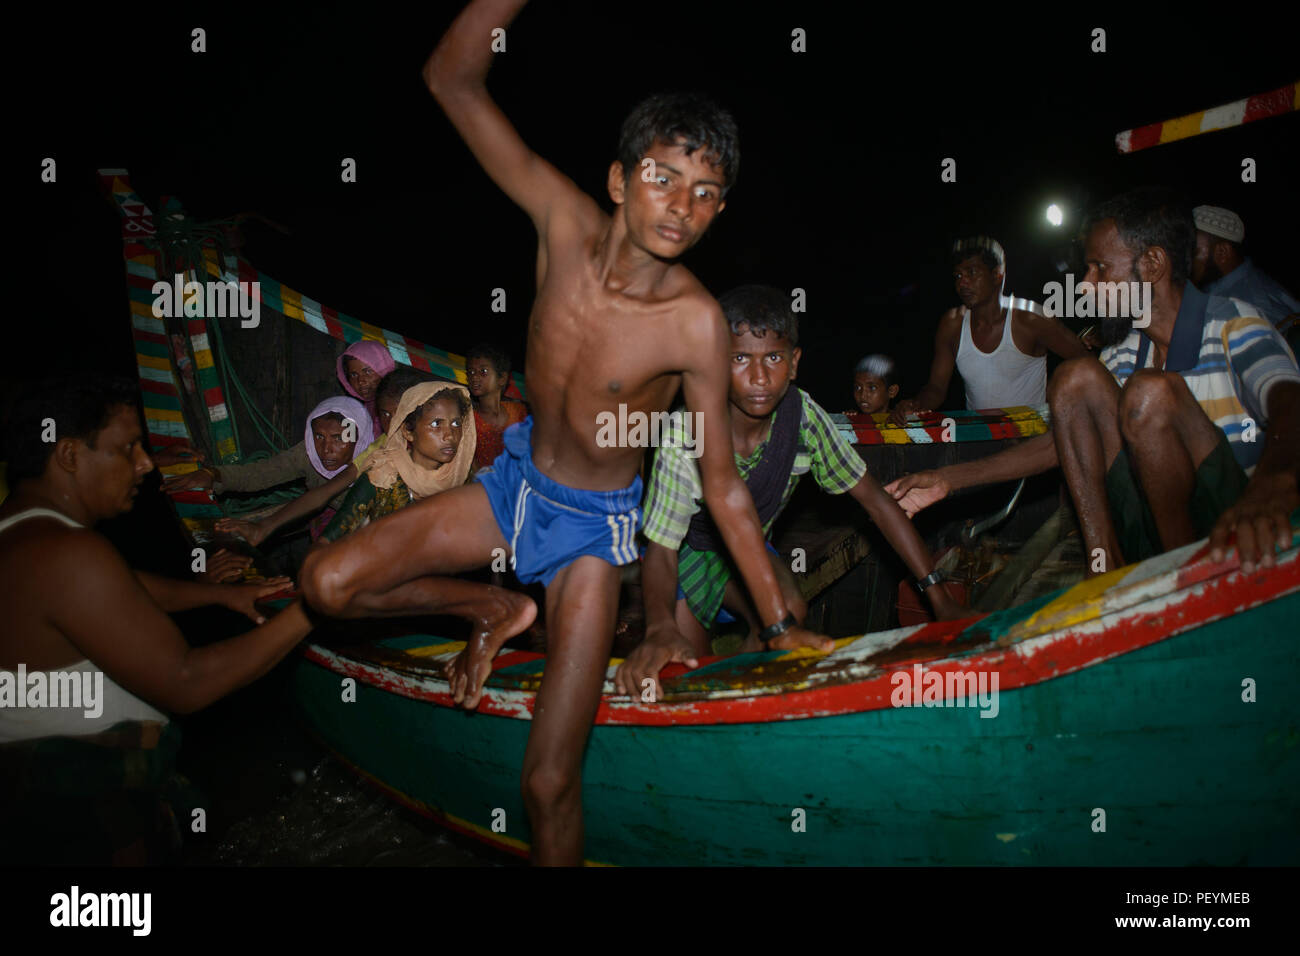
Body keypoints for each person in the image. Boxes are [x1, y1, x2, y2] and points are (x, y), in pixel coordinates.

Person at [298, 0, 829, 866]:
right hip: (514, 487)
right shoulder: (560, 217)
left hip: (593, 533)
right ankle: (495, 606)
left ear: (718, 211)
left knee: (546, 782)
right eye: (663, 177)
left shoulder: (695, 323)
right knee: (325, 582)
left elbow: (721, 483)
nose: (681, 205)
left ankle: (532, 616)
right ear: (620, 180)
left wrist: (775, 623)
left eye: (705, 194)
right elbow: (451, 79)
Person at [886, 188, 1300, 576]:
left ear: (1152, 265)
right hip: (1156, 531)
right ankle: (1104, 565)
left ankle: (1184, 577)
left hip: (1237, 521)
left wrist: (1272, 482)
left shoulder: (1233, 322)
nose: (1085, 285)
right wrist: (948, 481)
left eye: (1100, 268)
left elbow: (1290, 402)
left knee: (1151, 392)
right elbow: (1057, 443)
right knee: (1074, 378)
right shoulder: (1123, 351)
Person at [0, 374, 313, 864]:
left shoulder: (20, 532)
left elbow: (118, 588)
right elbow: (187, 681)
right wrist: (315, 608)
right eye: (128, 448)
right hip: (83, 817)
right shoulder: (68, 553)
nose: (146, 464)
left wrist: (214, 595)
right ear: (68, 455)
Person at [616, 288, 964, 699]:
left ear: (794, 363)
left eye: (774, 358)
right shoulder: (685, 433)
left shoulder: (804, 420)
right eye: (740, 358)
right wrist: (660, 627)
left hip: (749, 550)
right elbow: (661, 548)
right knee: (687, 667)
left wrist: (939, 598)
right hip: (682, 556)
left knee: (789, 615)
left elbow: (876, 500)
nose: (759, 377)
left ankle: (749, 693)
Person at [890, 236, 1092, 424]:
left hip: (1031, 440)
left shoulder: (1030, 318)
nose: (962, 282)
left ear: (997, 276)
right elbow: (936, 388)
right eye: (958, 275)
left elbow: (1085, 361)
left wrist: (1059, 399)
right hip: (981, 438)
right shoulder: (951, 325)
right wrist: (916, 405)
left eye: (972, 272)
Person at [168, 396, 376, 541]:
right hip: (335, 517)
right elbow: (262, 473)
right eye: (319, 436)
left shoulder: (377, 465)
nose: (326, 449)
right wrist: (213, 474)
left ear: (360, 439)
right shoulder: (308, 453)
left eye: (339, 439)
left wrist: (264, 528)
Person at [318, 383, 476, 542]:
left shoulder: (462, 475)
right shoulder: (381, 478)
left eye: (456, 423)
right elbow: (329, 540)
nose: (450, 436)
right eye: (436, 424)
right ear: (408, 432)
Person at [1191, 205, 1299, 332]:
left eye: (1193, 250)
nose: (1185, 258)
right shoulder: (1228, 288)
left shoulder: (1250, 307)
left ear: (1222, 252)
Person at [466, 342, 529, 471]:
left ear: (502, 378)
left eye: (483, 372)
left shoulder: (518, 412)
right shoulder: (468, 418)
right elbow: (470, 463)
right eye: (471, 372)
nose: (475, 377)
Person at [337, 340, 398, 422]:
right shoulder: (368, 409)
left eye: (368, 372)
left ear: (384, 369)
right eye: (354, 375)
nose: (361, 381)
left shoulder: (398, 405)